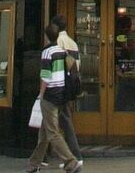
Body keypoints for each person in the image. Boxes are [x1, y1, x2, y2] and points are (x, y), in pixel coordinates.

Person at [27, 24, 81, 173]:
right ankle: (34, 164)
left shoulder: (47, 52)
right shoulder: (62, 52)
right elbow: (72, 70)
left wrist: (41, 94)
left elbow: (45, 76)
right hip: (62, 95)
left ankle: (71, 162)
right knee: (44, 133)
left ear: (46, 36)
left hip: (50, 95)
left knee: (52, 133)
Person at [51, 14, 83, 168]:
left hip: (58, 87)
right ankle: (42, 158)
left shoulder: (57, 42)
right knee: (55, 122)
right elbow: (77, 66)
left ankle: (75, 156)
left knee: (59, 121)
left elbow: (55, 65)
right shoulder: (73, 43)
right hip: (69, 87)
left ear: (56, 27)